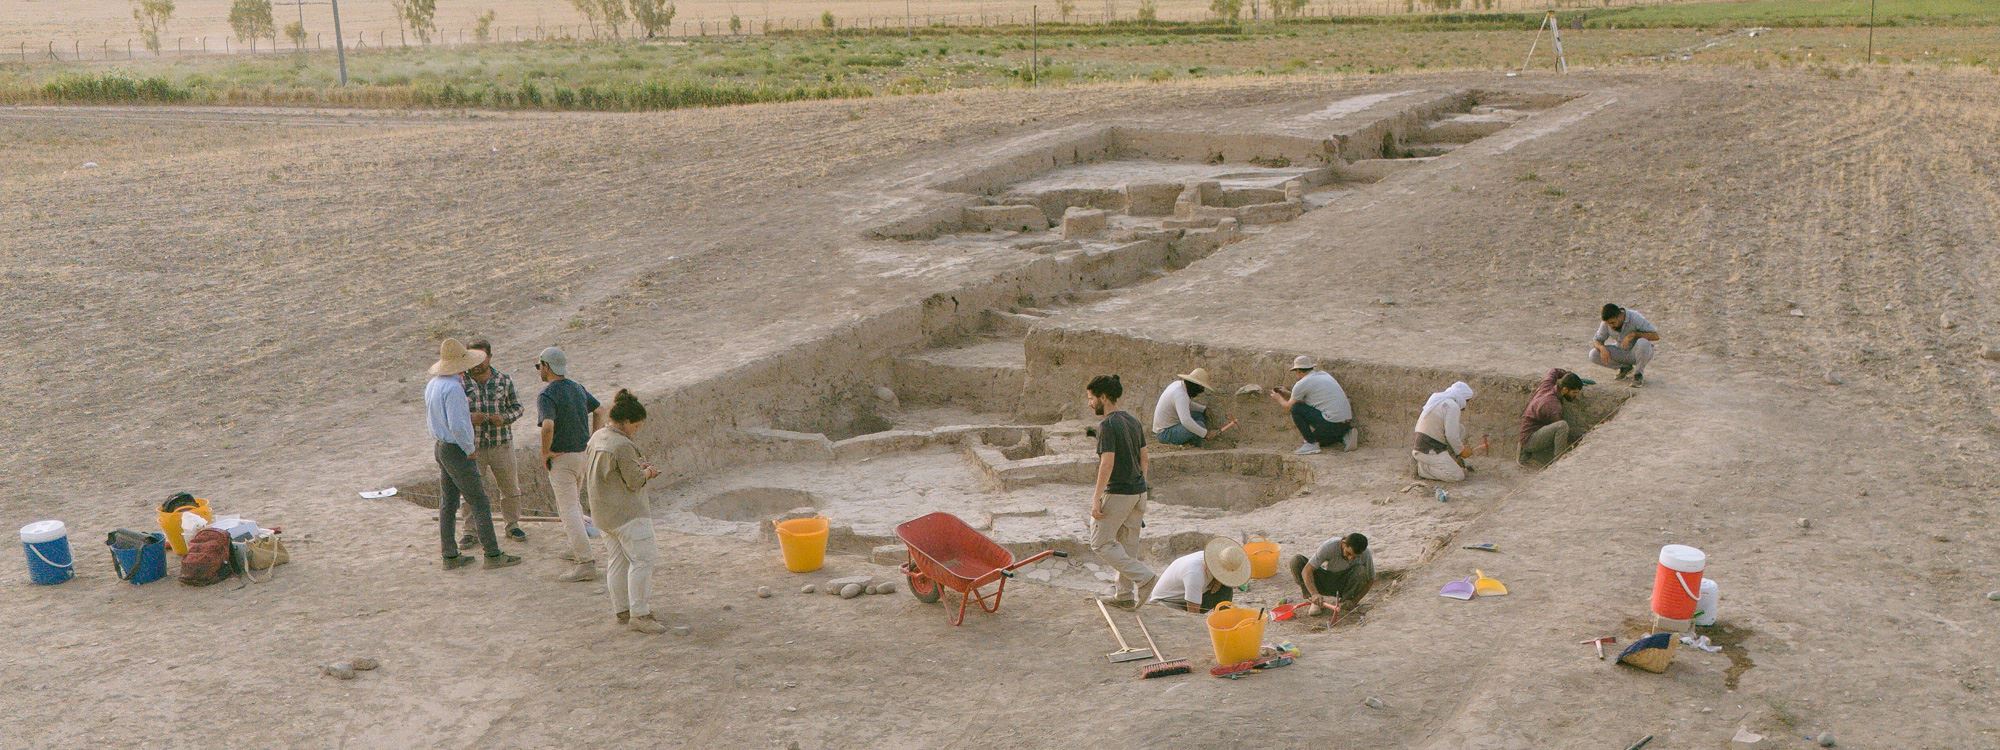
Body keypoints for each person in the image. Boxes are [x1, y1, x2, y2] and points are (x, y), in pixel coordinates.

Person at [425, 338, 521, 570]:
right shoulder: (454, 389)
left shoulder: (434, 385)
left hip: (441, 446)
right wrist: (469, 449)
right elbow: (458, 425)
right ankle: (492, 553)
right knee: (479, 500)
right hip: (457, 448)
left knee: (448, 501)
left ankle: (450, 554)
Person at [586, 390, 666, 634]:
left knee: (617, 561)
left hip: (603, 514)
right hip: (627, 515)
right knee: (643, 560)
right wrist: (648, 472)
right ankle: (640, 614)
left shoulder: (599, 436)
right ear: (627, 421)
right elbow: (633, 481)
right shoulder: (622, 445)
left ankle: (622, 609)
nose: (637, 430)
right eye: (637, 425)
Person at [1085, 375, 1154, 609]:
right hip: (1138, 492)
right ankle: (1124, 596)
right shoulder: (1133, 421)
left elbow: (1107, 463)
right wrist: (1140, 486)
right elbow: (1144, 457)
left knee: (1100, 543)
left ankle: (1145, 578)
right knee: (1127, 546)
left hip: (1120, 492)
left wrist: (1096, 498)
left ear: (1103, 397)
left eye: (1092, 398)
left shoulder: (1107, 425)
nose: (1090, 403)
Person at [538, 346, 605, 583]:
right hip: (582, 455)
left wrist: (545, 452)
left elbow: (547, 426)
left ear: (546, 366)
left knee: (568, 511)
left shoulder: (548, 395)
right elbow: (599, 410)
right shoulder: (577, 388)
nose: (539, 371)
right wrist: (594, 439)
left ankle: (586, 562)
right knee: (574, 505)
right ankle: (577, 547)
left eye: (539, 366)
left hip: (562, 458)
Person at [456, 338, 528, 548]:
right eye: (472, 358)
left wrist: (503, 418)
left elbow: (518, 407)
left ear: (490, 357)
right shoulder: (460, 383)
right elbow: (454, 414)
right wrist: (470, 418)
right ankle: (470, 531)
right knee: (470, 490)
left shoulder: (504, 380)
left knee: (509, 487)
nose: (477, 363)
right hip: (473, 446)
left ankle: (512, 524)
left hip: (501, 443)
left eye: (481, 357)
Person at [1268, 355, 1355, 455]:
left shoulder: (1301, 384)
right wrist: (1288, 393)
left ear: (1298, 371)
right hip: (1345, 423)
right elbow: (1310, 397)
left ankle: (1311, 444)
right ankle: (1345, 435)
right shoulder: (1324, 375)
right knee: (1320, 439)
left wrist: (1278, 398)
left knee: (1296, 409)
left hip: (1331, 424)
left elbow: (1288, 406)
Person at [1148, 538, 1251, 614]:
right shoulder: (1194, 574)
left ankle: (1222, 617)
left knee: (1225, 589)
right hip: (1166, 603)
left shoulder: (1208, 559)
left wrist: (1218, 581)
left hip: (1185, 596)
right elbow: (1193, 613)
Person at [1287, 532, 1373, 615]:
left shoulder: (1366, 554)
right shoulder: (1330, 546)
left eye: (1355, 557)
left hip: (1343, 584)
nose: (1350, 558)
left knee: (1360, 570)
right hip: (1325, 580)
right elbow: (1307, 570)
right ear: (1343, 543)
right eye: (1348, 553)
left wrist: (1354, 601)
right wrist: (1314, 593)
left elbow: (1370, 579)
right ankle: (1315, 601)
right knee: (1296, 561)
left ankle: (1345, 603)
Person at [1152, 367, 1237, 447]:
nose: (1198, 394)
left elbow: (1186, 404)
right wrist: (1206, 434)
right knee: (1200, 425)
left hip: (1168, 428)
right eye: (1199, 389)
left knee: (1199, 416)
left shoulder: (1179, 386)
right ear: (1195, 386)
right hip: (1165, 434)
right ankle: (1198, 443)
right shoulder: (1181, 395)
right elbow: (1186, 421)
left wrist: (1203, 409)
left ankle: (1196, 439)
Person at [1519, 369, 1587, 467]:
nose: (1575, 396)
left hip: (1529, 432)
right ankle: (1558, 463)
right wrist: (1579, 439)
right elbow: (1561, 432)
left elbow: (1554, 371)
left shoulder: (1547, 385)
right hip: (1529, 441)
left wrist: (1568, 376)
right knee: (1562, 426)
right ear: (1565, 389)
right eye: (1574, 393)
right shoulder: (1553, 405)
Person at [1412, 381, 1478, 483]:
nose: (1465, 405)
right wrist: (1462, 451)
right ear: (1462, 397)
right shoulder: (1452, 406)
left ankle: (1450, 459)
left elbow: (1453, 432)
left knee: (1460, 429)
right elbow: (1451, 436)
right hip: (1429, 449)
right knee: (1457, 476)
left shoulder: (1441, 401)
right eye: (1467, 400)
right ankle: (1422, 469)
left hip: (1423, 446)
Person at [1590, 303, 1661, 388]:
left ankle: (1638, 375)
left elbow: (1655, 336)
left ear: (1620, 316)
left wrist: (1634, 334)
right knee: (1593, 354)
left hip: (1638, 352)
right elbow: (1596, 340)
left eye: (1612, 322)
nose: (1610, 326)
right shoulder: (1606, 323)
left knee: (1643, 343)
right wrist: (1601, 348)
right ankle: (1625, 368)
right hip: (1621, 351)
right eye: (1608, 323)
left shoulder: (1635, 317)